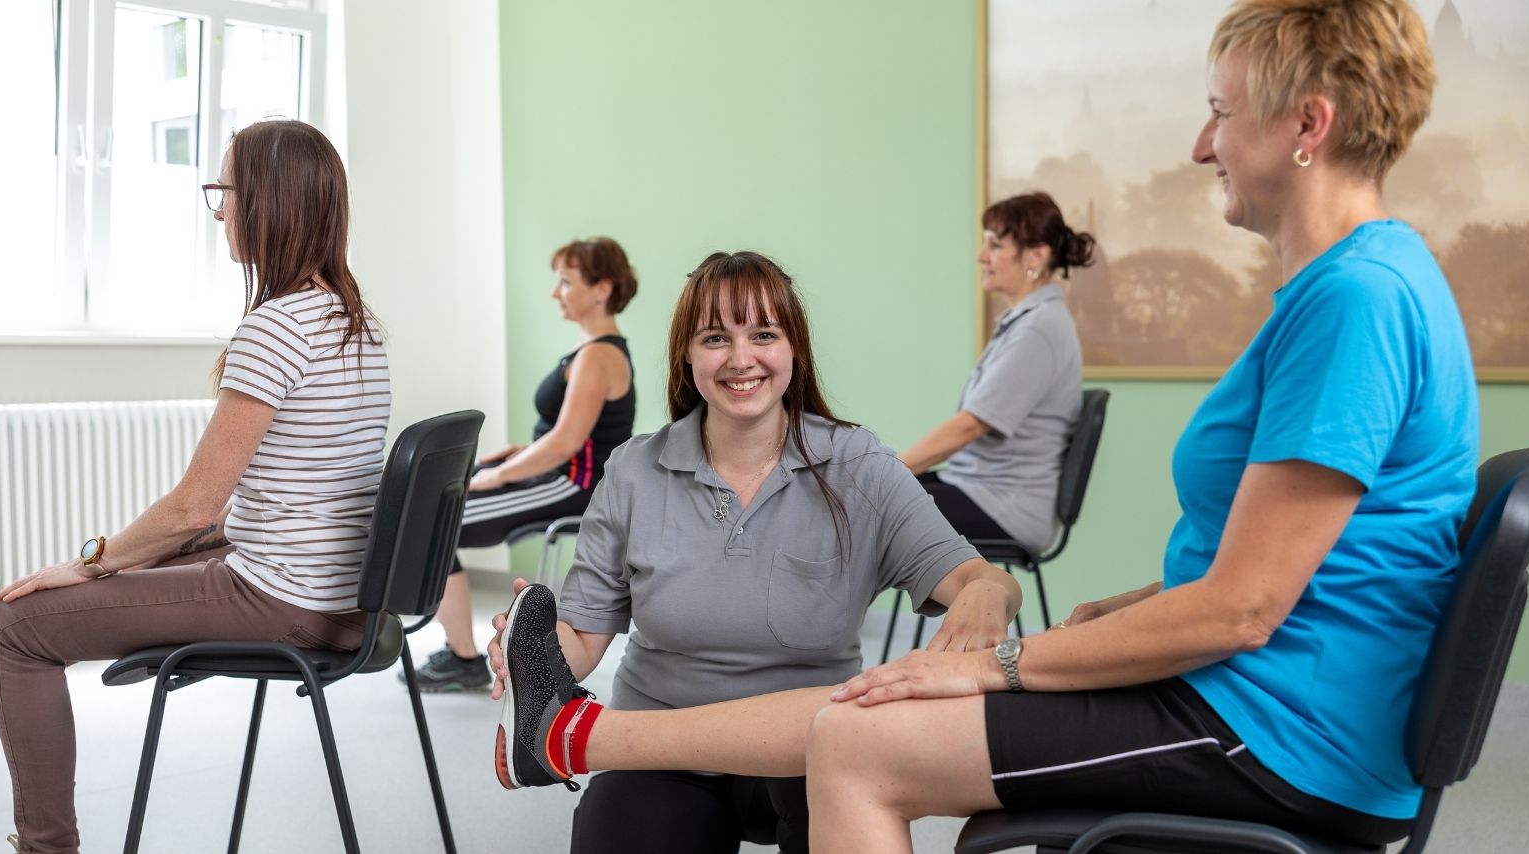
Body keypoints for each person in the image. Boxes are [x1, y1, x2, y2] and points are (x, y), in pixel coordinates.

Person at [490, 1, 1477, 851]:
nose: (1199, 141)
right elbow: (1268, 571)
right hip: (1261, 697)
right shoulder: (1356, 287)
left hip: (1275, 722)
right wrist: (1115, 613)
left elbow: (1242, 608)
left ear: (1308, 124)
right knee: (896, 706)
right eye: (714, 338)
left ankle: (573, 738)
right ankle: (574, 736)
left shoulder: (1355, 300)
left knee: (859, 733)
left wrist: (1001, 655)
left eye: (1219, 111)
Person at [0, 120, 389, 854]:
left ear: (268, 202)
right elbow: (293, 495)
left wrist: (94, 561)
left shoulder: (275, 329)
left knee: (17, 628)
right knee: (27, 617)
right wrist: (135, 558)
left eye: (225, 193)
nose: (221, 213)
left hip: (282, 600)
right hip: (339, 597)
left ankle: (44, 847)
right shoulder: (354, 323)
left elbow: (193, 506)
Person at [489, 251, 1024, 854]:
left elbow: (981, 578)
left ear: (793, 349)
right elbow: (583, 636)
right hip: (659, 746)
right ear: (686, 355)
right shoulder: (634, 470)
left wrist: (983, 595)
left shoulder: (858, 465)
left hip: (808, 750)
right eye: (716, 337)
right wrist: (529, 655)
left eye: (763, 334)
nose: (741, 359)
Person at [405, 237, 637, 693]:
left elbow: (565, 445)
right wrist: (514, 455)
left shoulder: (599, 356)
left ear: (601, 289)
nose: (556, 292)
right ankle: (458, 651)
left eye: (566, 282)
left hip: (571, 486)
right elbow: (565, 434)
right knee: (434, 505)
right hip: (555, 475)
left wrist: (499, 477)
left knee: (435, 522)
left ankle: (463, 659)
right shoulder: (591, 350)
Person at [900, 193, 1094, 553]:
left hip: (1004, 506)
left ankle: (824, 611)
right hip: (979, 489)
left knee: (869, 503)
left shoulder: (1039, 329)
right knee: (867, 499)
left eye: (995, 245)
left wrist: (889, 471)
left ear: (1036, 255)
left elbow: (972, 425)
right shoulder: (1031, 321)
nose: (981, 256)